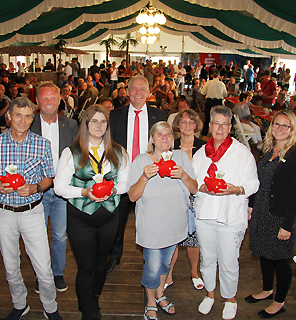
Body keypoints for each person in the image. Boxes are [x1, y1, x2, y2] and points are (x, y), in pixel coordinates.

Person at [0, 97, 62, 320]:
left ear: (32, 118)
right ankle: (19, 304)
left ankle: (50, 307)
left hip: (33, 211)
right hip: (3, 213)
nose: (22, 120)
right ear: (9, 117)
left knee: (43, 267)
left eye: (27, 116)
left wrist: (35, 187)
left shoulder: (42, 144)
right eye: (18, 115)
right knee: (10, 265)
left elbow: (49, 178)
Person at [55, 104, 129, 320]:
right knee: (86, 267)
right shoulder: (71, 152)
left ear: (108, 125)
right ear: (86, 124)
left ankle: (94, 298)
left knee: (100, 264)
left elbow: (125, 183)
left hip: (109, 216)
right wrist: (85, 192)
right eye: (94, 121)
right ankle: (86, 310)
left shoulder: (118, 151)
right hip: (81, 218)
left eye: (103, 121)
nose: (99, 125)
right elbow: (60, 188)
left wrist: (113, 189)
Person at [192, 106, 259, 320]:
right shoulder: (201, 153)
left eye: (224, 124)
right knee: (207, 259)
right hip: (205, 215)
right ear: (210, 126)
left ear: (230, 127)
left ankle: (230, 298)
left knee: (229, 261)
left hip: (231, 216)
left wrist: (237, 189)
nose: (220, 128)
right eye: (216, 123)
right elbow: (194, 182)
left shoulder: (242, 153)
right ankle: (210, 294)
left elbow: (254, 183)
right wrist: (201, 187)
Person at [127, 121, 198, 320]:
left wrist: (183, 174)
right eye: (160, 134)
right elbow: (132, 196)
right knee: (152, 266)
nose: (165, 137)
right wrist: (144, 177)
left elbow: (194, 188)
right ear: (152, 139)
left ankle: (159, 294)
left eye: (168, 134)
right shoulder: (141, 161)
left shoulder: (182, 157)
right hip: (151, 225)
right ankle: (150, 302)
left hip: (175, 223)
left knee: (166, 264)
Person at [247, 109, 296, 318]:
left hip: (280, 215)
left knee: (281, 259)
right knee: (265, 253)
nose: (279, 129)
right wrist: (251, 204)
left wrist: (287, 225)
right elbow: (259, 181)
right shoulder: (268, 147)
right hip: (262, 211)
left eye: (285, 126)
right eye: (276, 124)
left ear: (292, 129)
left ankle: (280, 301)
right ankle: (266, 289)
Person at [108, 75, 166, 273]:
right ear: (126, 91)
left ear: (149, 92)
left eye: (142, 89)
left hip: (151, 175)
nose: (138, 93)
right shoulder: (115, 115)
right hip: (123, 176)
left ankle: (152, 256)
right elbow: (110, 146)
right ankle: (114, 256)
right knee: (117, 219)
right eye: (134, 89)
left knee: (152, 219)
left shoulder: (160, 116)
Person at [30, 82, 79, 293]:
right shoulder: (28, 124)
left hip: (61, 191)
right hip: (37, 190)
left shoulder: (71, 125)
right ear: (37, 101)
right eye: (44, 98)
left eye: (52, 98)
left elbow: (77, 155)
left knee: (60, 236)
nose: (49, 102)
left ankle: (57, 273)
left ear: (60, 100)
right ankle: (41, 275)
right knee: (37, 236)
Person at [165, 109, 205, 290]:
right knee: (173, 238)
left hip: (198, 196)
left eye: (191, 122)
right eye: (183, 122)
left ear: (196, 125)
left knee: (193, 238)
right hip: (174, 195)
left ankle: (194, 272)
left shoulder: (205, 147)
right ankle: (169, 272)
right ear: (177, 125)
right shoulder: (169, 145)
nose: (187, 126)